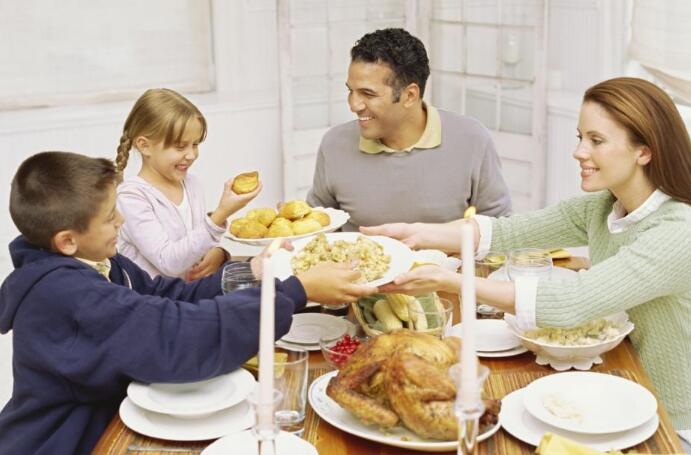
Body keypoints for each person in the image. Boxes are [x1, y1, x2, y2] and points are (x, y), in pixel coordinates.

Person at [363, 77, 691, 441]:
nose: (579, 152)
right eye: (580, 137)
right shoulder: (605, 205)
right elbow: (510, 232)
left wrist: (453, 282)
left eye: (596, 141)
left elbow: (573, 301)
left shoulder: (678, 230)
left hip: (671, 421)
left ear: (643, 151)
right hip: (620, 387)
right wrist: (416, 233)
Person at [0, 151, 375, 455]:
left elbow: (165, 295)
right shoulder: (67, 295)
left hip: (107, 417)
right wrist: (297, 292)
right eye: (110, 216)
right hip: (67, 442)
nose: (122, 219)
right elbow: (172, 333)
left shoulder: (98, 261)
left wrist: (253, 274)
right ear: (67, 240)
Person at [306, 28, 512, 231]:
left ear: (410, 95)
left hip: (446, 266)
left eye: (368, 94)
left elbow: (498, 232)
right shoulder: (334, 144)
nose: (354, 105)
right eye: (351, 91)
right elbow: (315, 228)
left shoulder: (471, 140)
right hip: (357, 265)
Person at [115, 88, 257, 280]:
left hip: (190, 299)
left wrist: (218, 253)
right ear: (144, 145)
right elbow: (170, 262)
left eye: (195, 144)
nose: (191, 155)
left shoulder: (192, 185)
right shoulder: (131, 198)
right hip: (157, 306)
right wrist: (220, 215)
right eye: (180, 146)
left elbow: (195, 244)